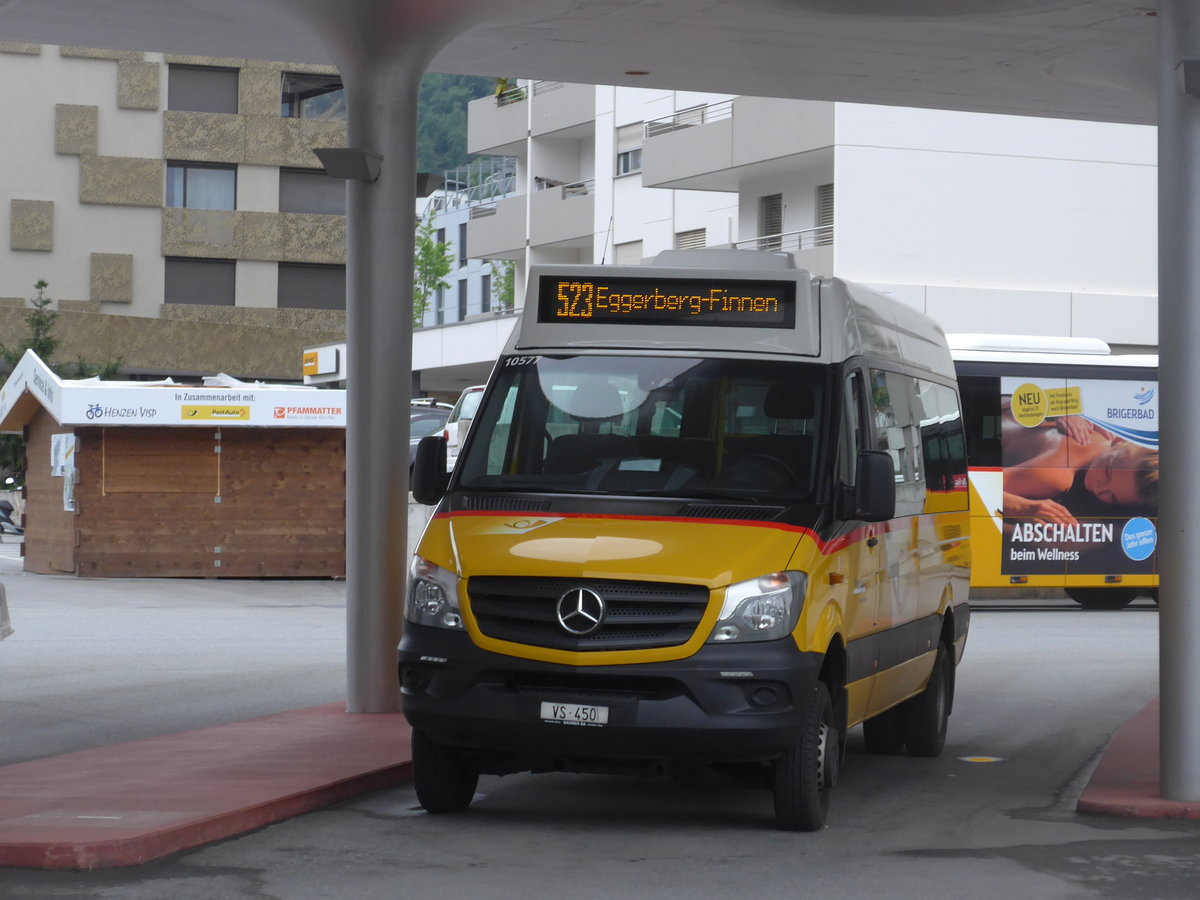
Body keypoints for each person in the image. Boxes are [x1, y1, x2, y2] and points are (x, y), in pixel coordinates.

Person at [1002, 415, 1158, 525]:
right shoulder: (1057, 477)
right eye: (1108, 472)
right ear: (1120, 440)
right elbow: (979, 487)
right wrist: (1021, 507)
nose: (1100, 487)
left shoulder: (1098, 424)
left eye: (1113, 498)